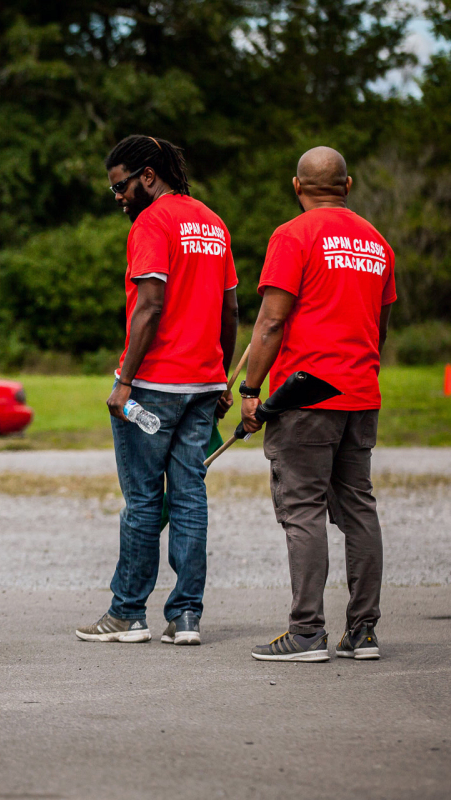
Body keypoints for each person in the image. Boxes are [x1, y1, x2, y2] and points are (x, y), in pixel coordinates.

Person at [75, 135, 238, 646]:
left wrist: (124, 381)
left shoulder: (151, 223)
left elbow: (150, 304)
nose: (118, 197)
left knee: (144, 501)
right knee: (189, 497)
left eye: (121, 186)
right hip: (203, 384)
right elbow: (230, 309)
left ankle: (127, 614)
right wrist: (221, 374)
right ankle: (186, 617)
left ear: (148, 176)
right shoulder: (213, 223)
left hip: (151, 385)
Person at [241, 146, 395, 663]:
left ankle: (306, 632)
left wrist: (250, 392)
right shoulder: (378, 242)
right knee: (359, 508)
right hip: (360, 393)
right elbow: (379, 329)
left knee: (303, 508)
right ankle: (363, 632)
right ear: (347, 186)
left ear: (297, 186)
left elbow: (271, 321)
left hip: (306, 396)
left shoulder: (293, 235)